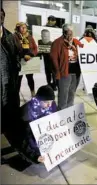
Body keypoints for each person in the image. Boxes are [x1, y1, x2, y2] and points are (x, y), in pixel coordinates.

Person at [1, 8, 21, 163]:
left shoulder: (9, 37)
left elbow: (16, 59)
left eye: (1, 15)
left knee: (9, 118)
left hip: (9, 86)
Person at [17, 85, 57, 164]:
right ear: (38, 100)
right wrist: (35, 157)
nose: (49, 105)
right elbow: (23, 139)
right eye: (46, 102)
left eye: (51, 101)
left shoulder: (51, 105)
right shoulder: (26, 114)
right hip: (27, 138)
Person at [50, 24, 83, 110]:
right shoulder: (57, 42)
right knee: (63, 94)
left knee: (72, 93)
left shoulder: (76, 42)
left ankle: (69, 112)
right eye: (66, 32)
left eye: (71, 33)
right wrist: (57, 72)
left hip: (76, 72)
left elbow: (84, 51)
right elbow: (54, 59)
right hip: (64, 72)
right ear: (63, 32)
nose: (69, 34)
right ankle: (61, 112)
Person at [14, 22, 38, 97]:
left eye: (25, 27)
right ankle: (16, 95)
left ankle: (33, 92)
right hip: (19, 61)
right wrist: (22, 55)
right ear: (18, 28)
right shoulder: (14, 37)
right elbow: (13, 49)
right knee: (18, 80)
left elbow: (35, 48)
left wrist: (31, 55)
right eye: (22, 27)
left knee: (30, 78)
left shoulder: (30, 37)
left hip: (29, 61)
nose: (24, 29)